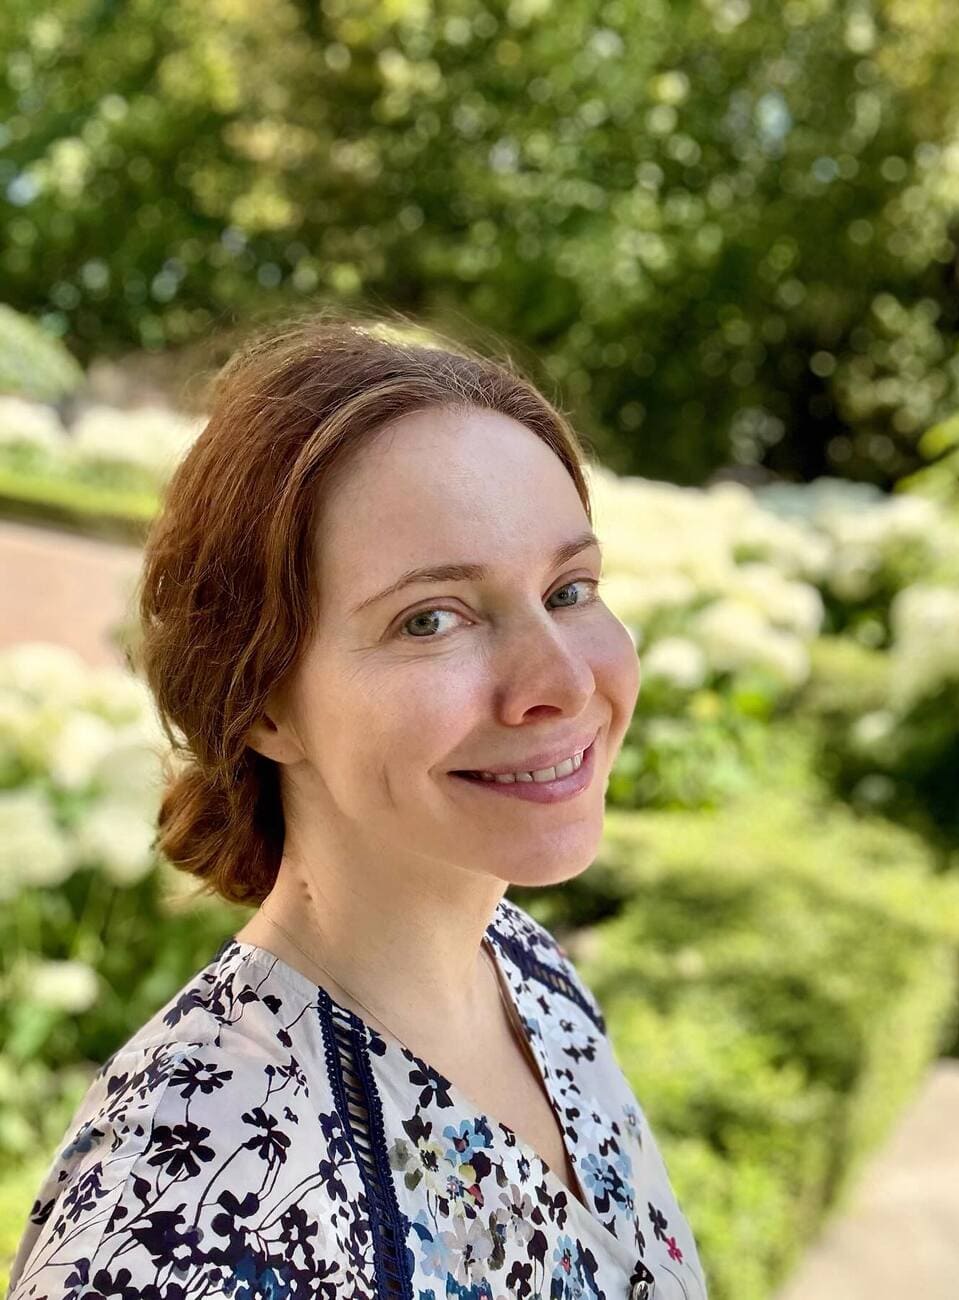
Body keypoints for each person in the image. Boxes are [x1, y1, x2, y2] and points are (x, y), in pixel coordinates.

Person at [8, 315, 709, 1300]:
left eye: (569, 589)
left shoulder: (526, 974)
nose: (560, 681)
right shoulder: (189, 1215)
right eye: (430, 619)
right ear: (262, 704)